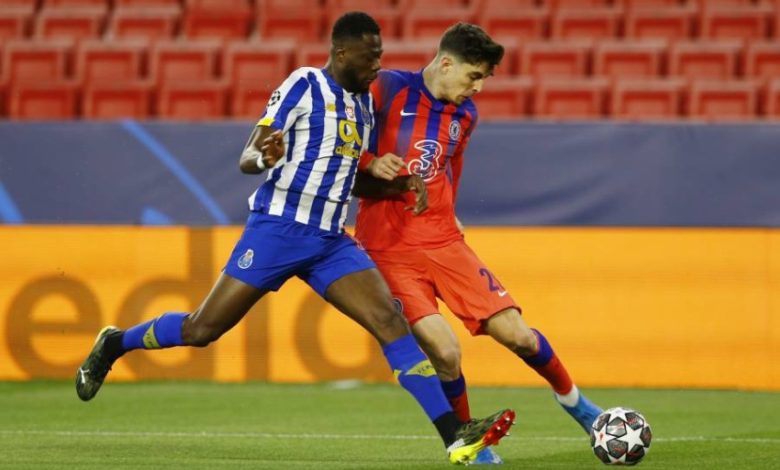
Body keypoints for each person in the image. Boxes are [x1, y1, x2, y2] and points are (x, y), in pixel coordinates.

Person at [74, 12, 514, 465]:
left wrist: (399, 185)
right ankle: (116, 343)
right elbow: (250, 154)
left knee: (390, 322)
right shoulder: (304, 85)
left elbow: (350, 177)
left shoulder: (364, 105)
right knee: (202, 329)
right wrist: (264, 157)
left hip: (330, 242)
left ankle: (453, 436)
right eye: (369, 56)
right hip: (278, 230)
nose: (377, 65)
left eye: (380, 55)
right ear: (342, 53)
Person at [353, 22, 603, 464]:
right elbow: (341, 142)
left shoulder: (465, 116)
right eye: (474, 76)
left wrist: (450, 209)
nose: (479, 88)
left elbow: (451, 167)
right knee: (445, 351)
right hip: (388, 249)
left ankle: (576, 404)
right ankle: (472, 443)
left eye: (484, 78)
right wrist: (371, 162)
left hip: (444, 240)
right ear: (446, 64)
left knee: (519, 336)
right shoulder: (387, 88)